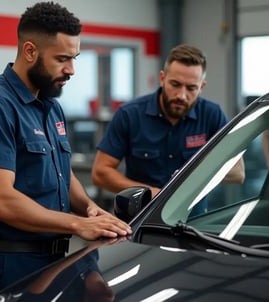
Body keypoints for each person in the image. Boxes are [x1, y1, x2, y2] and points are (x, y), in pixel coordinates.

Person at [0, 2, 132, 301]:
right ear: (29, 51)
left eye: (74, 58)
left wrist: (88, 208)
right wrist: (79, 224)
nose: (71, 70)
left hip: (58, 260)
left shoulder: (51, 107)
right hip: (11, 264)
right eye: (62, 59)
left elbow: (60, 173)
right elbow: (0, 201)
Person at [92, 44, 245, 215]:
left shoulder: (212, 114)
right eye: (175, 84)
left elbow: (237, 173)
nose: (181, 95)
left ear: (201, 87)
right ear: (162, 78)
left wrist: (192, 176)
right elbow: (100, 173)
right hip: (139, 219)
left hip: (191, 221)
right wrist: (151, 193)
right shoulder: (129, 115)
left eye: (191, 88)